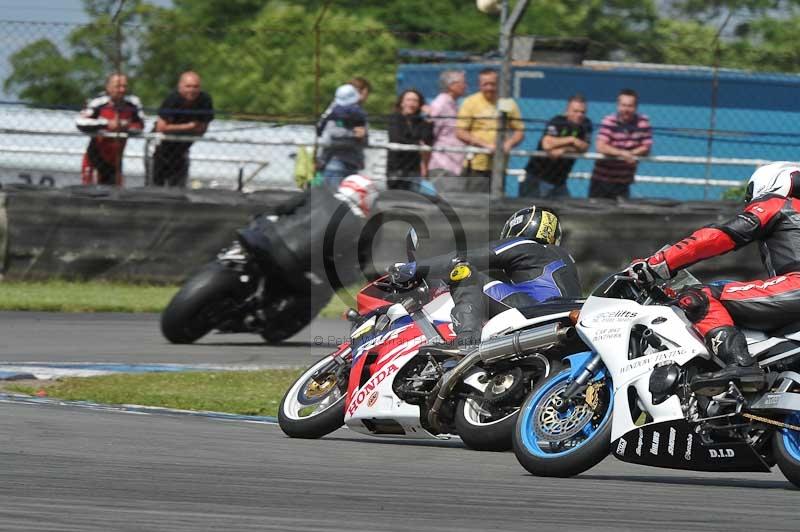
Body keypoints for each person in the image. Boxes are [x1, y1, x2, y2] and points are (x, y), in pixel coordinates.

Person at [627, 161, 800, 395]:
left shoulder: (779, 204)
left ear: (771, 181)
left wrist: (660, 262)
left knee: (700, 295)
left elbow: (720, 236)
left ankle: (740, 365)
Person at [390, 206, 581, 354]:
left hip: (536, 313)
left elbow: (461, 258)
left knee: (462, 270)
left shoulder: (527, 244)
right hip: (566, 322)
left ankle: (467, 340)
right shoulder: (564, 257)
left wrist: (411, 269)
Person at [237, 174, 378, 306]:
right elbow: (350, 264)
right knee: (320, 291)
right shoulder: (360, 227)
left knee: (256, 227)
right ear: (363, 196)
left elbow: (281, 209)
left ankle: (231, 256)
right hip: (296, 264)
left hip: (268, 241)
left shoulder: (319, 191)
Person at [455, 68, 525, 193]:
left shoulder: (508, 103)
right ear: (479, 85)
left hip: (499, 166)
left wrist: (508, 144)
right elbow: (460, 132)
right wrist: (486, 146)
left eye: (492, 84)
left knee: (496, 205)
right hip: (476, 165)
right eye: (485, 84)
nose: (489, 88)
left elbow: (519, 130)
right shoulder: (470, 102)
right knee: (474, 204)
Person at [76, 73, 144, 186]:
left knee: (114, 194)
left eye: (124, 86)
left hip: (116, 161)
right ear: (108, 87)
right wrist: (106, 124)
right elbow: (80, 122)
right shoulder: (98, 101)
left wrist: (124, 126)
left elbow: (140, 125)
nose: (122, 90)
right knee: (89, 193)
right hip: (95, 156)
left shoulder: (133, 103)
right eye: (118, 86)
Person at [521, 94, 592, 199]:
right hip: (537, 176)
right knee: (533, 212)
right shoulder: (558, 121)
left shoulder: (586, 124)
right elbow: (547, 144)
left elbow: (584, 147)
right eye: (575, 111)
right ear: (567, 111)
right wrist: (571, 140)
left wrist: (564, 149)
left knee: (564, 212)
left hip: (559, 181)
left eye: (582, 112)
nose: (579, 115)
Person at [151, 71, 215, 187]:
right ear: (180, 87)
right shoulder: (172, 99)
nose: (192, 90)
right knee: (155, 186)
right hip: (159, 148)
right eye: (188, 86)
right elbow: (161, 127)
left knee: (178, 188)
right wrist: (189, 127)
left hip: (182, 150)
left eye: (195, 87)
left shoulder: (204, 100)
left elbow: (202, 129)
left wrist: (176, 129)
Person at [589, 88, 652, 199]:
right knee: (595, 214)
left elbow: (646, 146)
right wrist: (623, 154)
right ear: (618, 105)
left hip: (623, 182)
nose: (626, 109)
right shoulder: (609, 121)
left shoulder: (643, 122)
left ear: (636, 107)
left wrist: (631, 153)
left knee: (620, 215)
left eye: (630, 106)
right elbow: (601, 146)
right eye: (623, 105)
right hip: (602, 180)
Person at [316, 77, 371, 189]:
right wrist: (353, 134)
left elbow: (364, 136)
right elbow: (331, 132)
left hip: (352, 163)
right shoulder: (337, 110)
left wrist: (362, 135)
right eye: (364, 93)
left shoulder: (358, 112)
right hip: (336, 161)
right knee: (332, 202)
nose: (365, 97)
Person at [427, 70, 468, 192]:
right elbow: (430, 133)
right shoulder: (441, 104)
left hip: (454, 164)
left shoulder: (454, 104)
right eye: (462, 83)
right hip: (442, 163)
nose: (465, 86)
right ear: (451, 85)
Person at [386, 89, 434, 191]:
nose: (411, 104)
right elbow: (396, 138)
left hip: (414, 169)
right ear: (402, 102)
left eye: (415, 101)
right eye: (408, 100)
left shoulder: (419, 121)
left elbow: (427, 140)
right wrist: (417, 144)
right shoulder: (395, 118)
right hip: (397, 169)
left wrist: (428, 119)